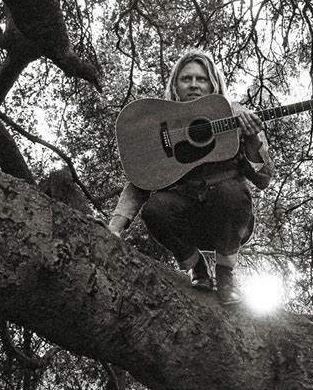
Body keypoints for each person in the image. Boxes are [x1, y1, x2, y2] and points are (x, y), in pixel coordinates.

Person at [109, 50, 273, 305]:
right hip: (185, 222)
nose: (194, 85)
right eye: (186, 79)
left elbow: (263, 179)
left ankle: (225, 275)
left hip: (228, 223)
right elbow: (140, 179)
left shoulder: (238, 117)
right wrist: (115, 226)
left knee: (231, 191)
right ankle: (196, 267)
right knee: (155, 208)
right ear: (175, 85)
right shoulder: (164, 123)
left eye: (201, 79)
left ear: (213, 84)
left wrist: (251, 138)